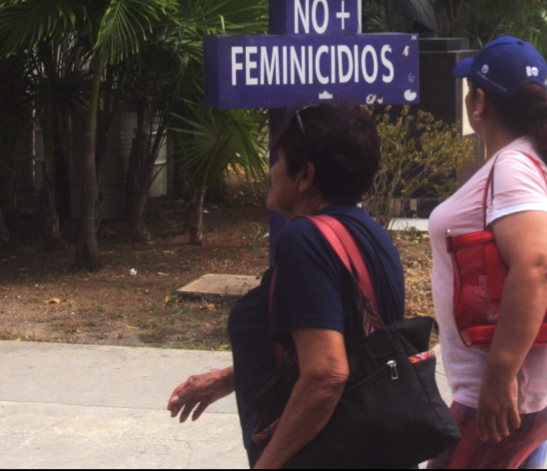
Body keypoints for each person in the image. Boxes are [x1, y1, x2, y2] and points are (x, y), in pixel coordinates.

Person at [167, 104, 405, 469]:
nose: (272, 171)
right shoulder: (369, 233)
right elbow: (352, 346)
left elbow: (327, 374)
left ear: (305, 175)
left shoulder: (304, 239)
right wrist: (232, 377)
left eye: (278, 160)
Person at [427, 36, 547, 469]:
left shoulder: (514, 166)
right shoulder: (539, 156)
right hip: (543, 382)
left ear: (478, 102)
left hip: (512, 387)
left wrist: (500, 375)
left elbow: (538, 264)